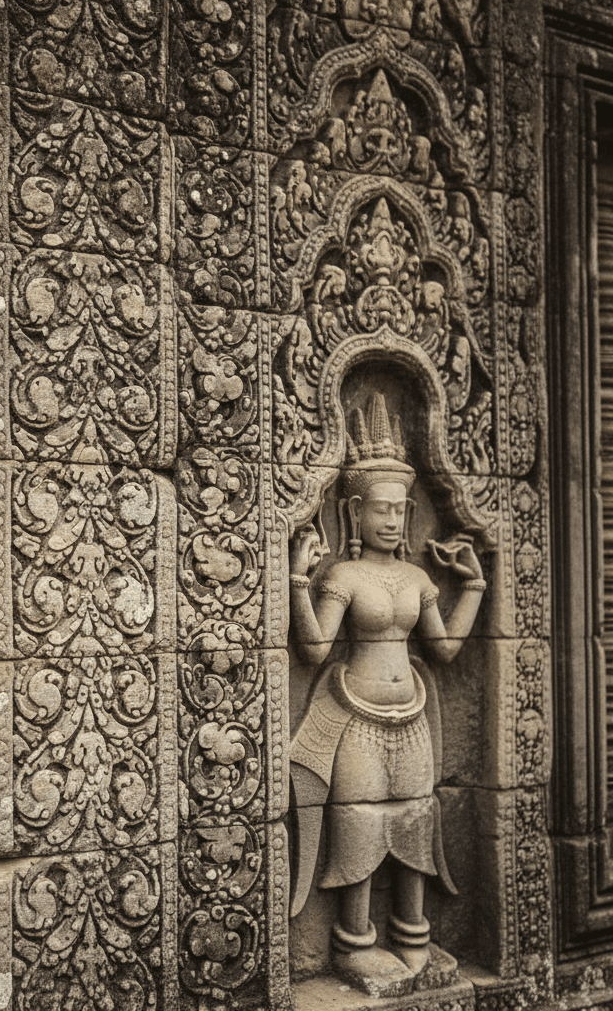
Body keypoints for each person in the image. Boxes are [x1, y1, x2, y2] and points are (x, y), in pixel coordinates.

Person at [288, 392, 485, 994]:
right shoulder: (344, 576)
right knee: (358, 824)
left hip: (414, 714)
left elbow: (446, 648)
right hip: (356, 715)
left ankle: (414, 933)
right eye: (381, 509)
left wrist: (473, 583)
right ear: (353, 511)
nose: (394, 521)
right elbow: (316, 649)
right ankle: (354, 942)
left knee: (415, 818)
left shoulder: (417, 577)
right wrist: (300, 576)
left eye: (402, 510)